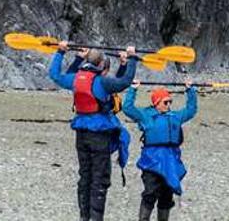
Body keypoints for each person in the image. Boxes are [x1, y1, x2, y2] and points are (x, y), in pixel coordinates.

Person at [48, 44, 138, 221]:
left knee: (85, 177)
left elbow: (56, 75)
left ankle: (84, 217)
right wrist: (132, 59)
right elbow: (123, 83)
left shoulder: (75, 79)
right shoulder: (102, 82)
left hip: (81, 134)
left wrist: (61, 52)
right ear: (101, 65)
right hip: (99, 135)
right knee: (99, 179)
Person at [121, 82, 199, 221]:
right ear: (156, 103)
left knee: (166, 196)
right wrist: (133, 89)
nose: (168, 105)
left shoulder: (175, 116)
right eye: (165, 102)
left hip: (170, 161)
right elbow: (127, 108)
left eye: (170, 102)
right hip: (152, 161)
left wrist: (190, 90)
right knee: (150, 193)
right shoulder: (146, 116)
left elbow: (191, 110)